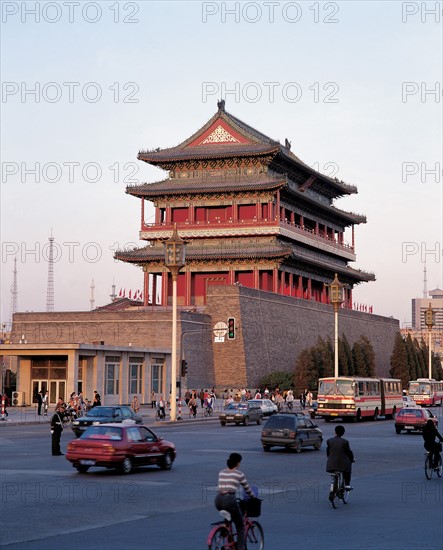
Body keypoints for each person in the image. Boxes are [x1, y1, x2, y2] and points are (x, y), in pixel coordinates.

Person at [215, 453, 256, 550]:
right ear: (238, 463)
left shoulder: (221, 472)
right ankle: (240, 548)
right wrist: (253, 497)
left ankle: (224, 530)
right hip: (229, 499)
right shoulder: (239, 474)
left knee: (228, 516)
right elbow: (247, 489)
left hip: (218, 500)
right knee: (240, 526)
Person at [326, 424, 355, 490]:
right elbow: (349, 452)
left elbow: (328, 452)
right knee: (348, 468)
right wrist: (352, 459)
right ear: (343, 433)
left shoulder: (329, 441)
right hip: (342, 465)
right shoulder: (345, 442)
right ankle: (347, 484)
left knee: (335, 472)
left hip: (331, 464)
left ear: (335, 432)